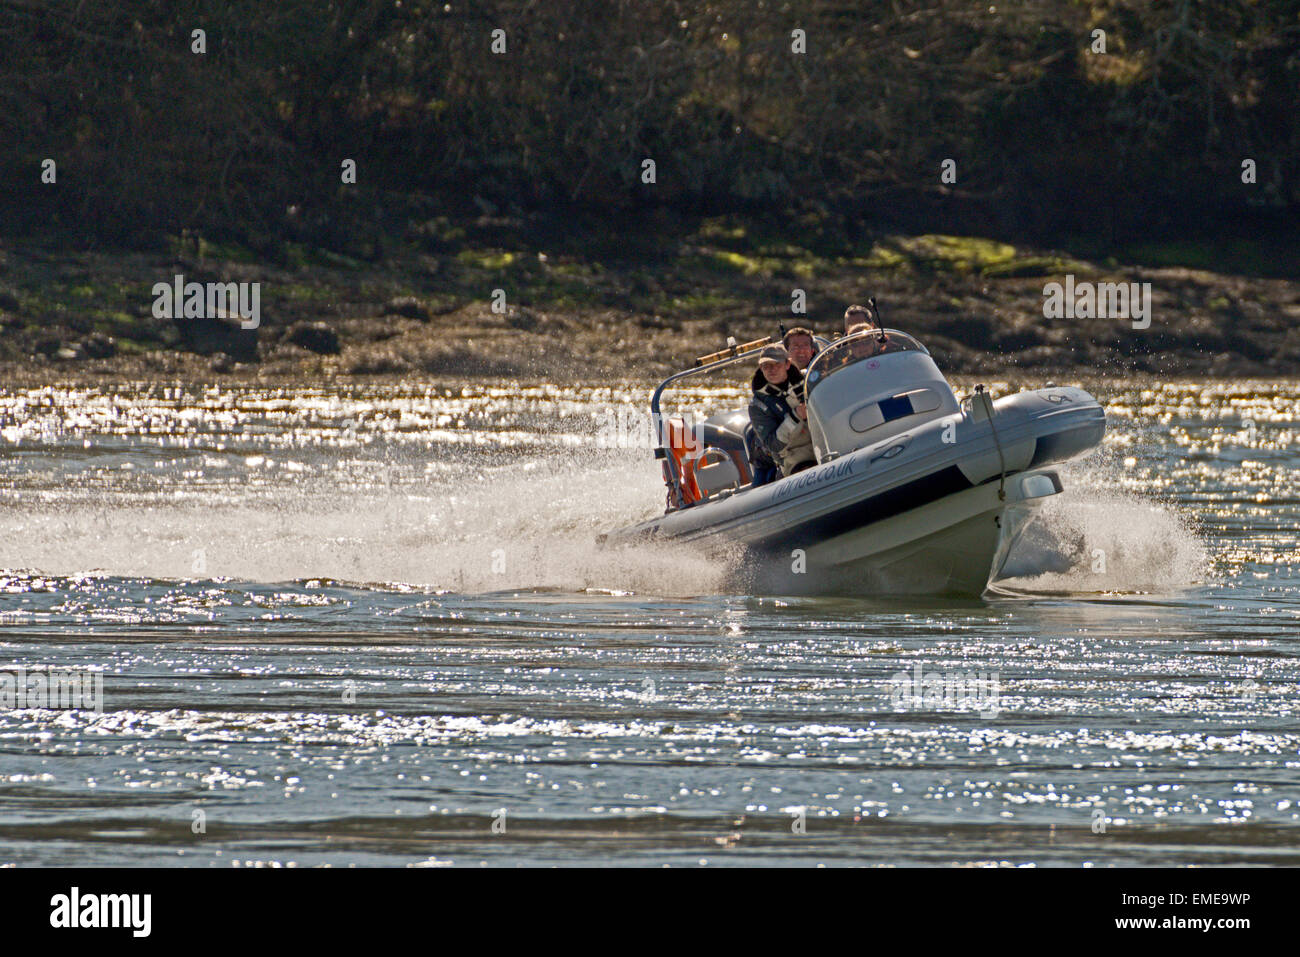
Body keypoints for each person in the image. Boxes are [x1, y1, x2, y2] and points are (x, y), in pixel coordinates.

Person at [748, 343, 816, 480]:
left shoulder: (808, 382)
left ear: (787, 364)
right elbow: (773, 446)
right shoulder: (757, 406)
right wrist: (795, 417)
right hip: (795, 463)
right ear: (761, 369)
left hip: (824, 445)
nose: (771, 370)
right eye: (766, 366)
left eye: (776, 364)